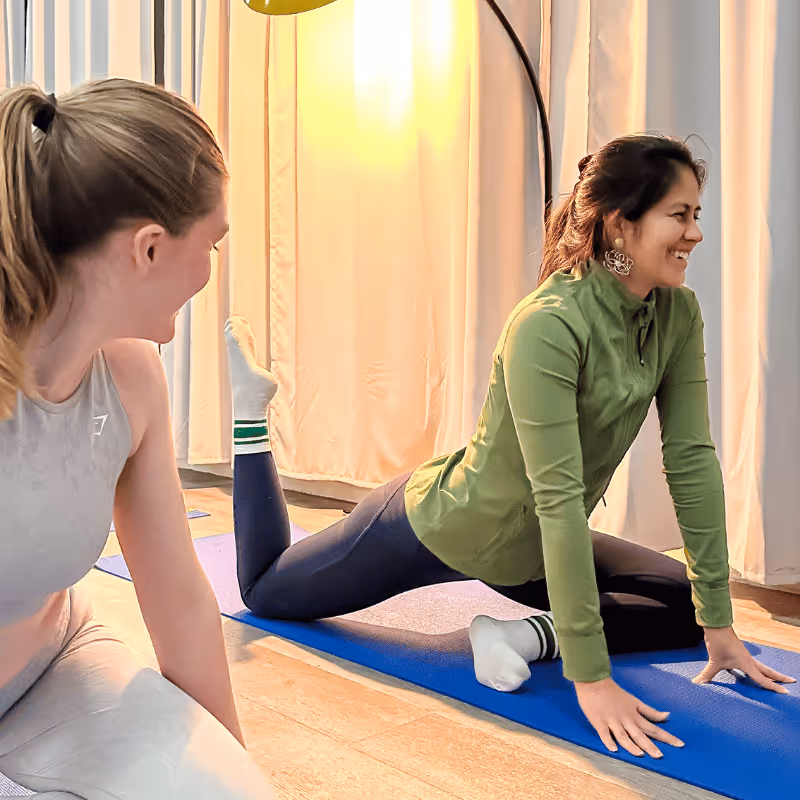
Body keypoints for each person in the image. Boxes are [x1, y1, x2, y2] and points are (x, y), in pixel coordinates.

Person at [224, 134, 795, 762]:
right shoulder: (547, 323)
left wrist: (719, 626)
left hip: (532, 551)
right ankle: (250, 410)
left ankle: (519, 637)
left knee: (686, 609)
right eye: (679, 215)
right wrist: (590, 675)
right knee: (266, 591)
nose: (695, 234)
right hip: (444, 526)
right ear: (618, 223)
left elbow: (691, 460)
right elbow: (557, 495)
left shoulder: (676, 315)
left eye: (697, 216)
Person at [0, 80, 275, 798]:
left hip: (51, 675)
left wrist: (233, 768)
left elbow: (180, 597)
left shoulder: (131, 377)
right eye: (212, 242)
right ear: (148, 249)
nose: (212, 270)